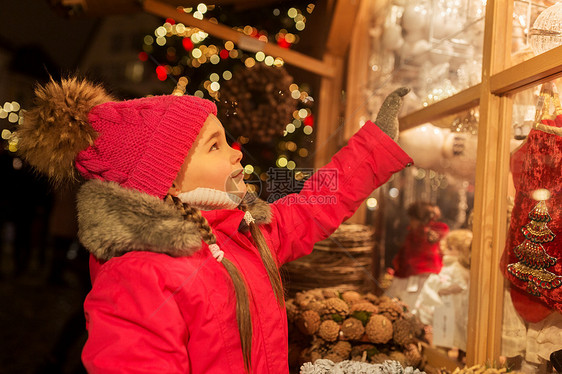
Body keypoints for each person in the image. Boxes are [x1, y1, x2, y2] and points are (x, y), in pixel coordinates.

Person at [15, 77, 412, 373]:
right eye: (215, 145)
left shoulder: (236, 234)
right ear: (167, 178)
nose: (236, 151)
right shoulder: (138, 276)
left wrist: (373, 148)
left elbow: (306, 209)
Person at [413, 229, 472, 355]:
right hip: (448, 304)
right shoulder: (452, 266)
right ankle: (445, 352)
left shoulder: (456, 267)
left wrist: (442, 288)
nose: (445, 251)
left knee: (450, 331)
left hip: (451, 305)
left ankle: (446, 353)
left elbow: (460, 285)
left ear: (462, 251)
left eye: (450, 248)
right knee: (448, 332)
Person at [386, 201, 449, 308]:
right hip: (428, 274)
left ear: (419, 219)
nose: (410, 222)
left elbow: (408, 255)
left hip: (415, 276)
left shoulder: (419, 233)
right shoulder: (436, 230)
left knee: (412, 303)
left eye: (412, 219)